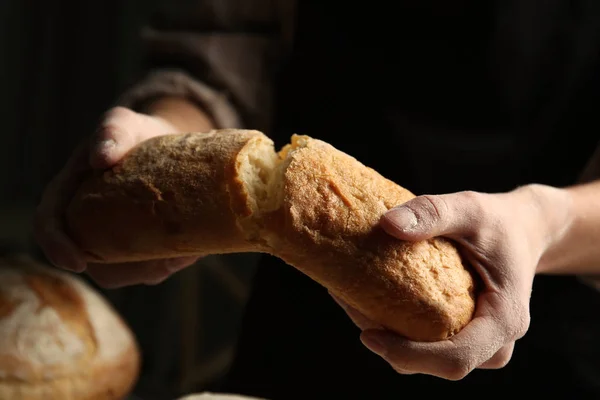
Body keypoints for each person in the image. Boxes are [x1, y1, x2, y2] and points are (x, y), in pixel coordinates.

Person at [34, 1, 600, 398]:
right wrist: (164, 151)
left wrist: (544, 223)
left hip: (555, 328)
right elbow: (227, 46)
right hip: (303, 317)